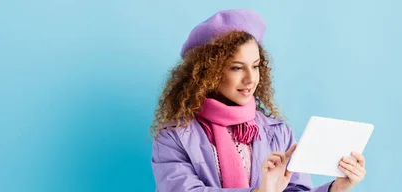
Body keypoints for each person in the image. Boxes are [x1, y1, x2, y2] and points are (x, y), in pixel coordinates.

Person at [150, 9, 367, 192]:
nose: (251, 78)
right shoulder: (174, 136)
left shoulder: (278, 131)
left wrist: (335, 188)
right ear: (209, 72)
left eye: (255, 66)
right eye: (236, 67)